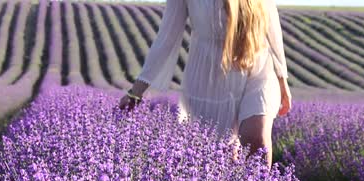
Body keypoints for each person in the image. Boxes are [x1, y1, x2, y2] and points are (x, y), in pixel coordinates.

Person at [118, 0, 292, 167]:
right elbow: (167, 37)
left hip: (258, 68)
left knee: (257, 139)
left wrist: (282, 79)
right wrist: (136, 91)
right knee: (221, 158)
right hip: (210, 79)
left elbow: (271, 22)